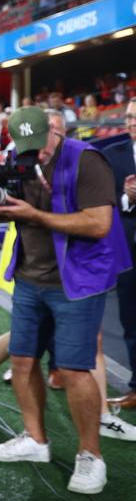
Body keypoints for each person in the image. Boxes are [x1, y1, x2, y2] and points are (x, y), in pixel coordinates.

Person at [0, 107, 129, 494]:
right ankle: (35, 440)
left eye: (40, 144)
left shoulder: (87, 160)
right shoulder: (16, 157)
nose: (35, 153)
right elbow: (13, 213)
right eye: (26, 146)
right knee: (22, 360)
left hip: (77, 281)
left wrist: (35, 214)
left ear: (56, 132)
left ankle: (91, 456)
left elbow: (98, 224)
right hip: (29, 276)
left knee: (74, 369)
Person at [105, 100, 136, 410]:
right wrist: (126, 197)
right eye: (128, 117)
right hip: (128, 254)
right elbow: (103, 199)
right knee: (131, 321)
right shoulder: (113, 156)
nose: (131, 122)